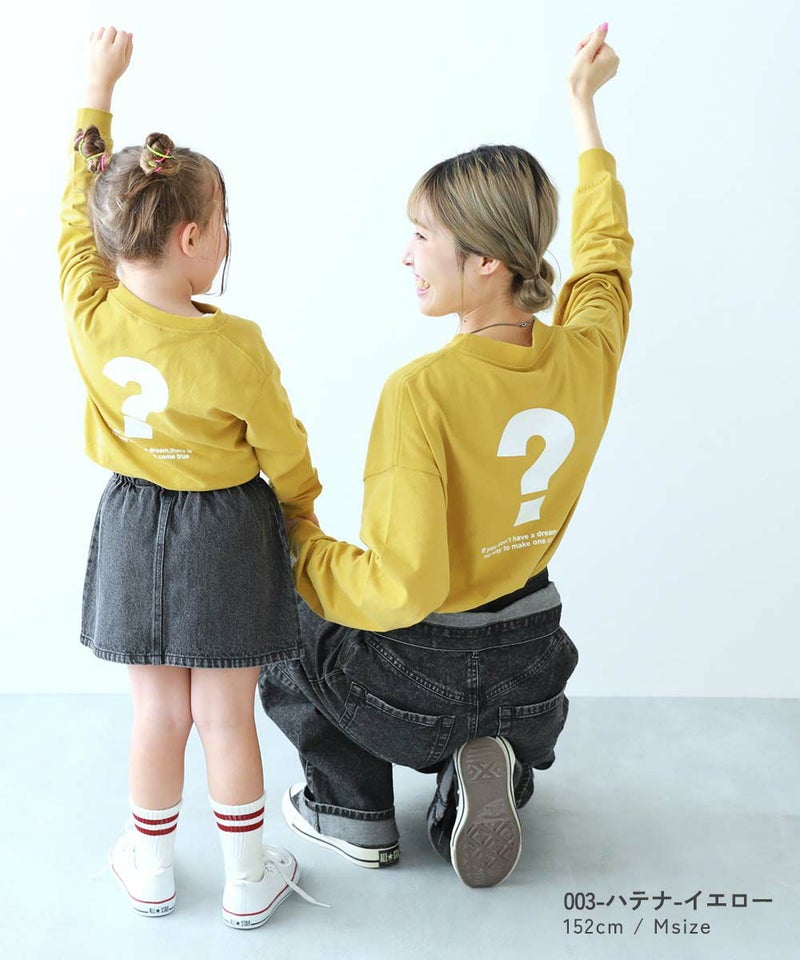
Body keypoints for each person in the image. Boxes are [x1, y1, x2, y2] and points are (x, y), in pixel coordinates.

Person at [259, 23, 632, 888]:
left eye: (423, 236)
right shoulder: (589, 354)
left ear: (488, 260)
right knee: (480, 673)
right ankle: (492, 763)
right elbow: (607, 259)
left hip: (415, 682)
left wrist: (296, 540)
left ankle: (351, 809)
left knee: (284, 591)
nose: (406, 254)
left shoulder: (422, 391)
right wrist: (585, 112)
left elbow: (402, 588)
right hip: (534, 671)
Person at [59, 27, 325, 926]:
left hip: (134, 524)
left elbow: (74, 218)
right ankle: (249, 875)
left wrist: (97, 92)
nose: (225, 240)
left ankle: (152, 867)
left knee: (156, 714)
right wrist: (302, 514)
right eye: (221, 226)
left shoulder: (88, 309)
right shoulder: (235, 345)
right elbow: (283, 448)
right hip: (227, 529)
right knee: (225, 713)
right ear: (189, 236)